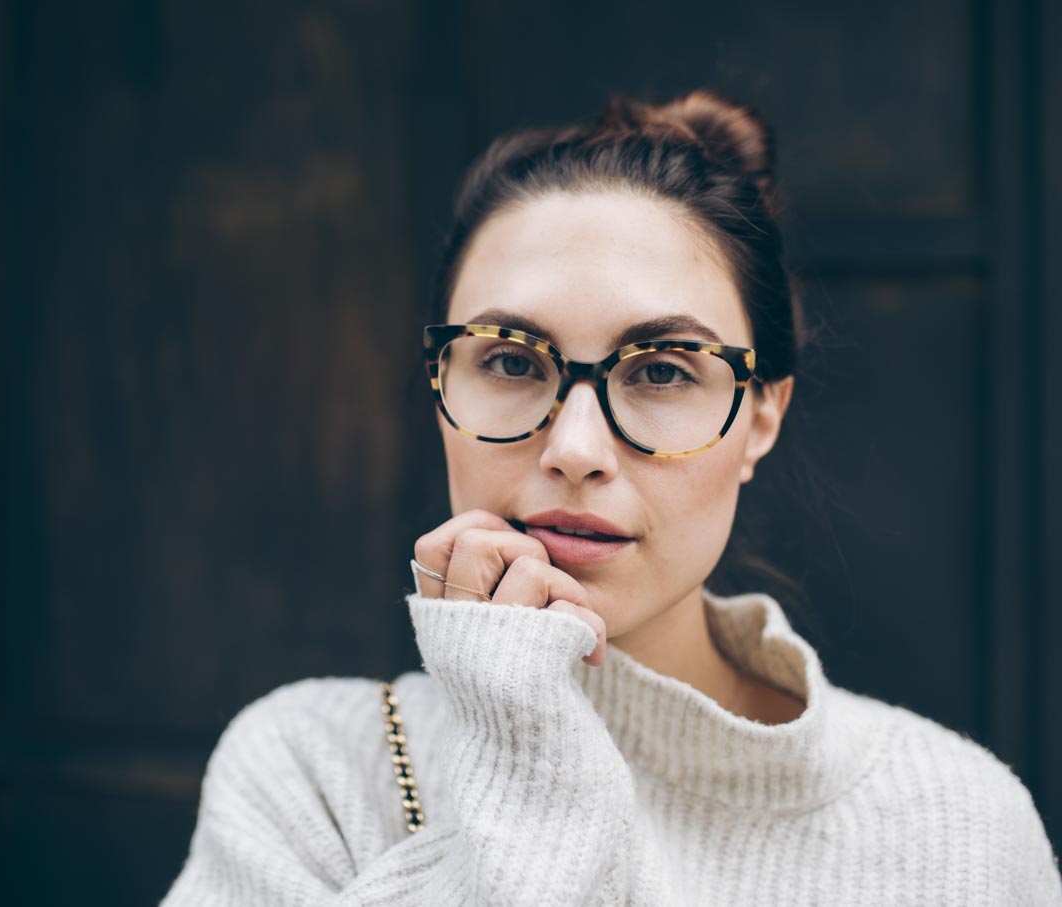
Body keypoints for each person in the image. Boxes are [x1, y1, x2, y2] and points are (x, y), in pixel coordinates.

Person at [161, 89, 1062, 905]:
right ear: (439, 385)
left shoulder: (958, 828)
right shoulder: (315, 772)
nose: (576, 449)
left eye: (664, 370)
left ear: (761, 418)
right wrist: (521, 748)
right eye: (510, 361)